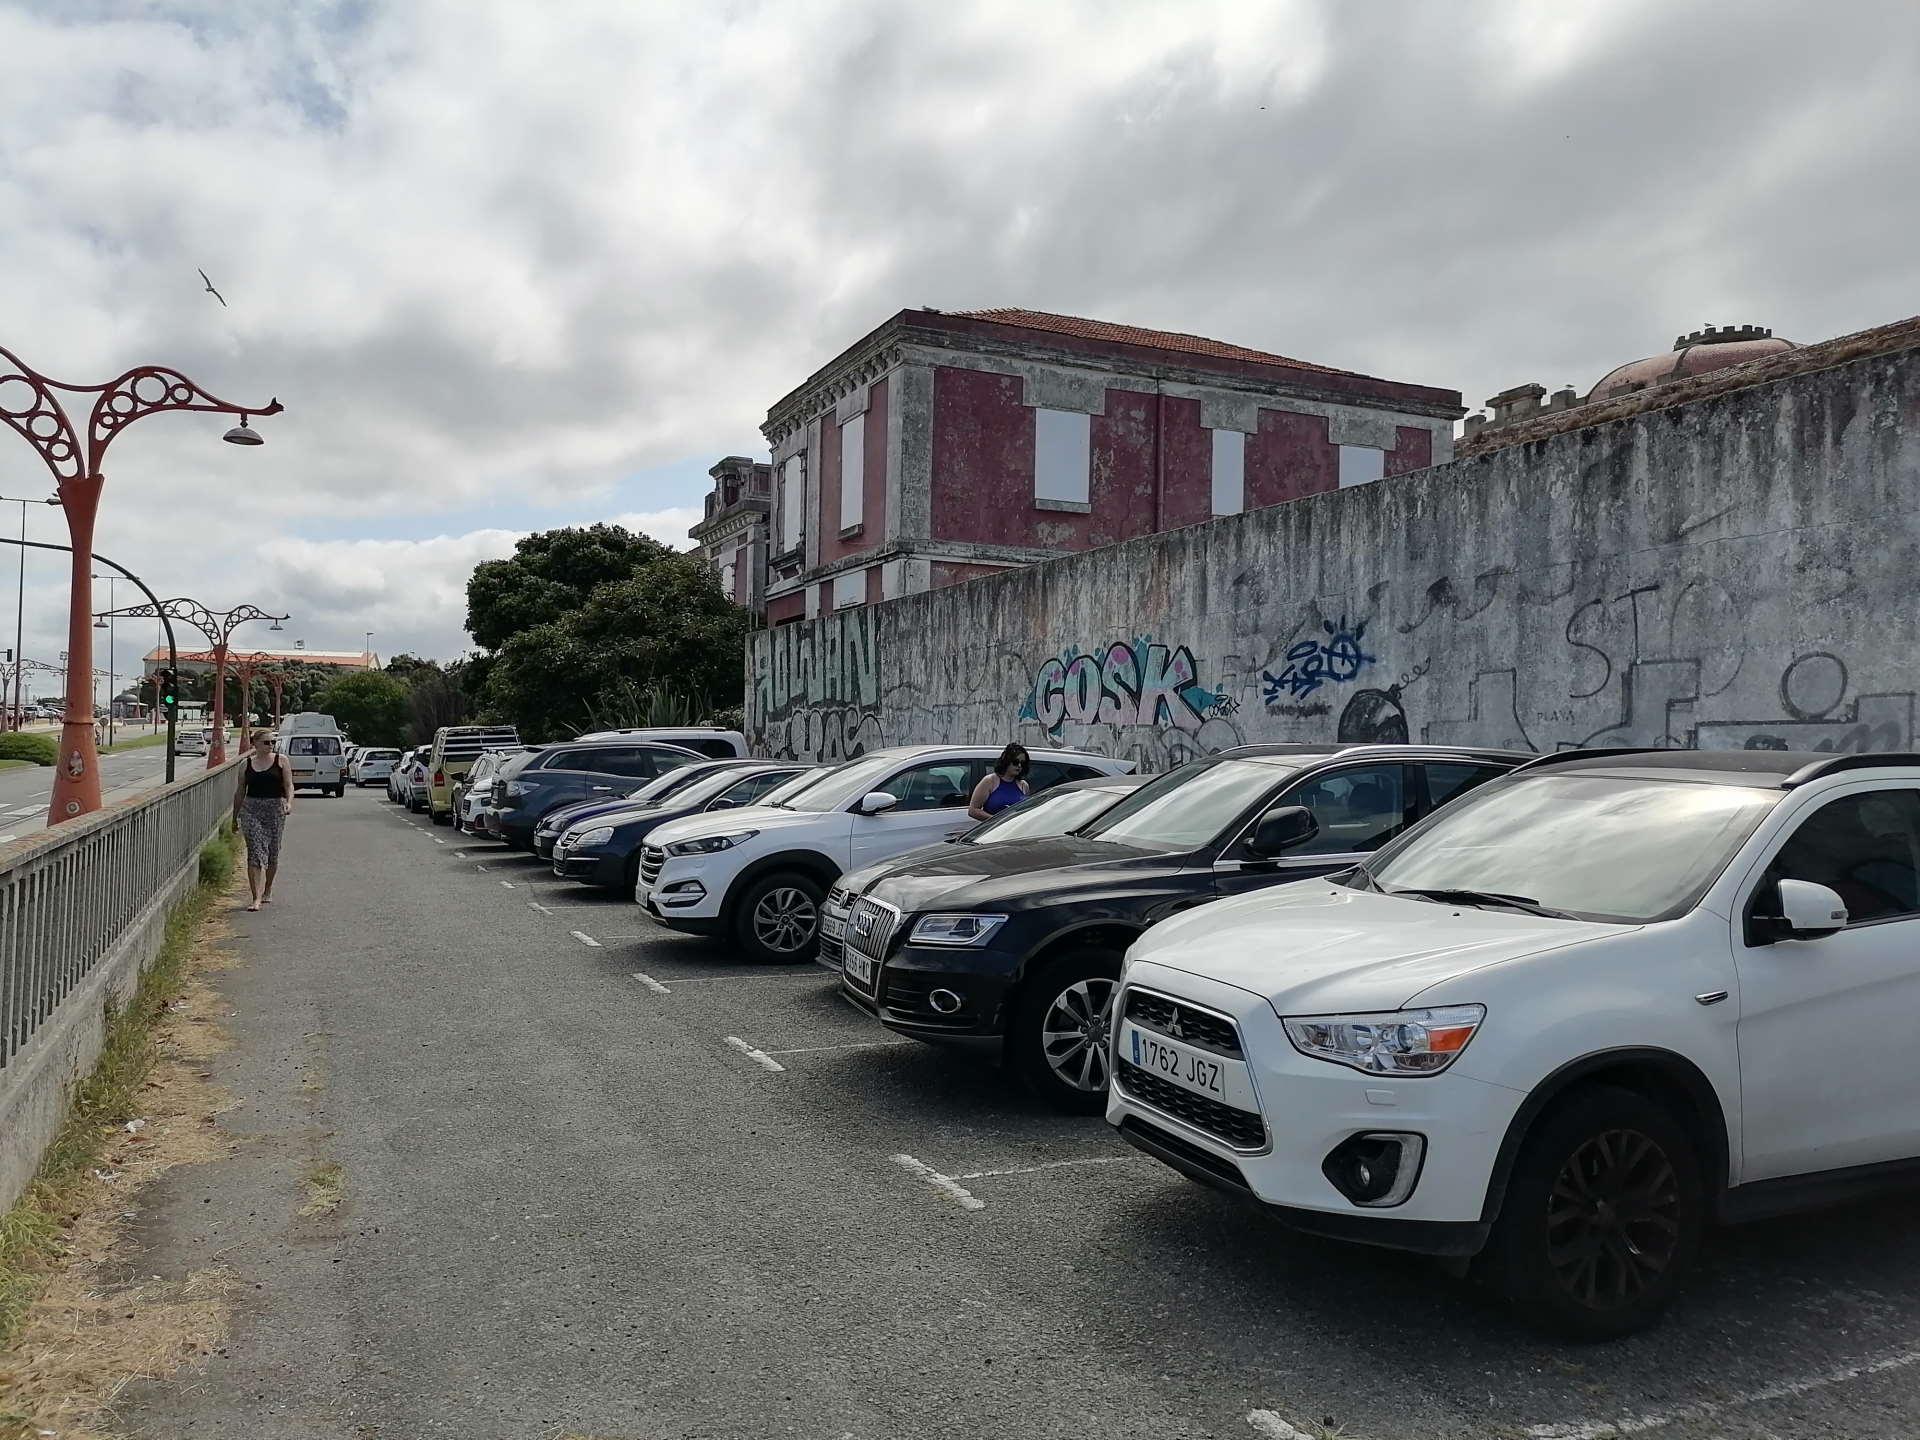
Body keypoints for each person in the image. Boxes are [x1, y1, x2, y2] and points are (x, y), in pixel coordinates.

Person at [232, 730, 293, 911]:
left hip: (275, 809)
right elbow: (240, 791)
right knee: (255, 852)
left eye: (273, 742)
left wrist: (289, 803)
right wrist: (235, 817)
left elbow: (289, 785)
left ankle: (267, 889)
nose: (270, 745)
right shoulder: (246, 764)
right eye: (266, 742)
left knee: (272, 853)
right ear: (255, 744)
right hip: (251, 809)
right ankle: (256, 898)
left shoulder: (281, 761)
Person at [968, 742, 1031, 821]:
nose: (1019, 766)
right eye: (1015, 762)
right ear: (1007, 761)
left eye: (1022, 763)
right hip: (996, 830)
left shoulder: (1023, 785)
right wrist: (997, 821)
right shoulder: (990, 781)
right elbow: (973, 810)